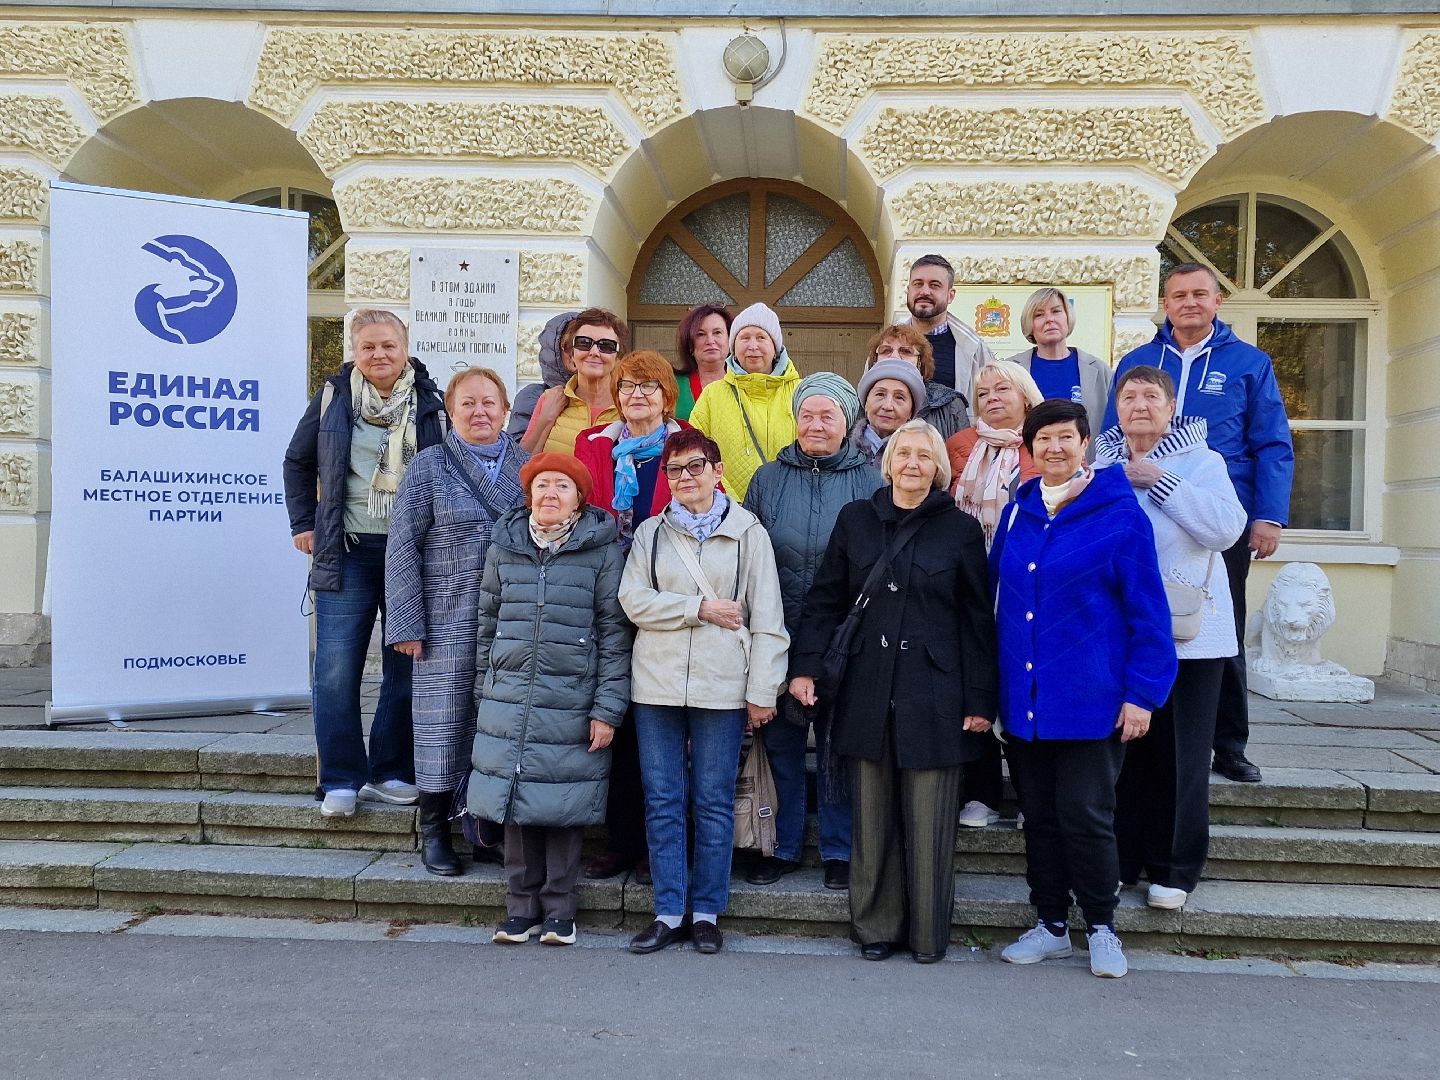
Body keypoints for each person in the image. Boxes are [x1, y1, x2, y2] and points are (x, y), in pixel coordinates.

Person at [792, 420, 997, 964]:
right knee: (873, 819)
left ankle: (928, 934)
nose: (912, 463)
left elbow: (977, 620)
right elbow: (825, 599)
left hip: (935, 692)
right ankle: (875, 928)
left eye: (924, 456)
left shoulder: (959, 530)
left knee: (930, 822)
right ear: (887, 463)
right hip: (866, 688)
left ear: (938, 469)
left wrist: (981, 699)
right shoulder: (856, 520)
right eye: (903, 453)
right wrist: (805, 667)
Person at [992, 400, 1177, 979]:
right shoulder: (1017, 513)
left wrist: (1142, 694)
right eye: (1043, 439)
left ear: (1085, 443)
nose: (1054, 448)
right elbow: (997, 600)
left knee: (1086, 816)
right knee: (1040, 819)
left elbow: (1149, 613)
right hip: (1026, 704)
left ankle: (1101, 926)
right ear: (1029, 448)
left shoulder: (1120, 515)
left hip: (1091, 701)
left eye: (1065, 438)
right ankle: (1050, 924)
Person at [1104, 263, 1294, 784]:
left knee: (1216, 631)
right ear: (1165, 304)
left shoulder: (1248, 362)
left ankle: (1229, 744)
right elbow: (1109, 431)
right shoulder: (1138, 361)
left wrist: (1268, 516)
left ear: (1216, 302)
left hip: (1217, 513)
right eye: (1178, 295)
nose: (1189, 303)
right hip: (1142, 517)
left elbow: (1272, 441)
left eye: (1199, 294)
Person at [620, 430, 789, 955]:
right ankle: (669, 911)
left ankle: (708, 912)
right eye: (674, 470)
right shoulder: (650, 533)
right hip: (656, 685)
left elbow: (768, 617)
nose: (684, 478)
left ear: (718, 471)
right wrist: (698, 609)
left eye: (695, 466)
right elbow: (632, 600)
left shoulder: (748, 533)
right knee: (663, 800)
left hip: (722, 686)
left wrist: (763, 690)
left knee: (714, 801)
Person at [283, 310, 446, 819]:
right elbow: (297, 461)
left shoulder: (431, 402)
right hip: (347, 549)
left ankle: (390, 771)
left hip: (412, 555)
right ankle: (340, 778)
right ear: (354, 350)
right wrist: (303, 523)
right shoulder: (332, 398)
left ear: (405, 347)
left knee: (405, 668)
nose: (379, 355)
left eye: (388, 345)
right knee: (335, 670)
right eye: (368, 346)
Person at [1096, 366, 1246, 911]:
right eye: (1129, 396)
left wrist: (1159, 480)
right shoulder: (1100, 464)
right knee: (1122, 754)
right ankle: (1118, 860)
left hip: (1189, 636)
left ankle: (1173, 869)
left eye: (1151, 396)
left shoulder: (1203, 462)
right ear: (1117, 407)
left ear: (1171, 405)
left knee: (1180, 755)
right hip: (1119, 634)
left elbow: (1226, 529)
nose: (1139, 405)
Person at [468, 453, 631, 947]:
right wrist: (483, 689)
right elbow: (487, 623)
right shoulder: (506, 545)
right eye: (542, 485)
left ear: (579, 498)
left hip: (572, 698)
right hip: (510, 696)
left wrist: (607, 710)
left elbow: (615, 635)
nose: (550, 494)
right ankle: (520, 908)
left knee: (563, 802)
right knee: (515, 803)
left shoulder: (601, 552)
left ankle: (560, 910)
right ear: (529, 495)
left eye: (562, 485)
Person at [383, 367, 528, 875]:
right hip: (445, 613)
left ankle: (485, 828)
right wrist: (406, 623)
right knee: (440, 721)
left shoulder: (526, 466)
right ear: (450, 411)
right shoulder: (428, 466)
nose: (479, 412)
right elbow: (402, 545)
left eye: (489, 402)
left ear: (505, 410)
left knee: (496, 722)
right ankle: (434, 831)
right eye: (468, 403)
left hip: (510, 619)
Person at [743, 373, 884, 890]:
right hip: (777, 631)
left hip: (846, 637)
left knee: (836, 745)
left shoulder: (870, 481)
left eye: (828, 416)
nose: (816, 425)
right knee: (781, 740)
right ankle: (782, 844)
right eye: (807, 415)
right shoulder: (767, 479)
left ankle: (839, 849)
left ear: (848, 423)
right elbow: (747, 554)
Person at [573, 350, 691, 883]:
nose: (636, 395)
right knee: (613, 723)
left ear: (667, 397)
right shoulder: (593, 444)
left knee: (660, 728)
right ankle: (619, 840)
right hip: (606, 601)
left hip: (666, 603)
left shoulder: (689, 446)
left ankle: (657, 845)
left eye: (648, 387)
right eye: (627, 386)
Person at [945, 359, 1043, 829]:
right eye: (982, 393)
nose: (992, 399)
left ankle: (1030, 795)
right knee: (976, 680)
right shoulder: (959, 445)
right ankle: (981, 793)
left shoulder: (1044, 443)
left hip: (1024, 584)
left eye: (1002, 389)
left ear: (1025, 395)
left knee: (1022, 683)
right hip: (966, 581)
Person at [689, 302, 800, 502]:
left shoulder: (801, 392)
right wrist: (732, 504)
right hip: (728, 509)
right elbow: (695, 454)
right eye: (745, 338)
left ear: (775, 347)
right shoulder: (712, 395)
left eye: (761, 337)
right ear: (733, 347)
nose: (752, 346)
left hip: (791, 506)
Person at [1004, 287, 1110, 459]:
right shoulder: (1011, 370)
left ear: (1068, 317)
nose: (1049, 319)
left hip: (1084, 468)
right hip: (1025, 468)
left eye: (1056, 311)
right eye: (1039, 315)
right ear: (1030, 325)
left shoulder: (1098, 369)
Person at [520, 307, 626, 455]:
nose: (594, 352)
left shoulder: (629, 403)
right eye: (584, 343)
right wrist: (547, 418)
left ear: (618, 357)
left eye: (606, 346)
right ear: (571, 354)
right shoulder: (550, 399)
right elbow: (524, 461)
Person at [901, 254, 995, 397]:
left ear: (950, 295)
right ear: (908, 291)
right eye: (918, 284)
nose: (924, 291)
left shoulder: (974, 349)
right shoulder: (886, 346)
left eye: (934, 285)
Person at [864, 323, 970, 441]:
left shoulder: (951, 404)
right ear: (875, 360)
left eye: (906, 351)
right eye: (885, 350)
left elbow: (963, 450)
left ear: (920, 362)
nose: (894, 357)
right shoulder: (862, 401)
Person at [506, 309, 578, 438]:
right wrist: (546, 417)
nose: (575, 353)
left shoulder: (609, 395)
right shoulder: (534, 396)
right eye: (569, 346)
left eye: (584, 345)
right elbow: (517, 448)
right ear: (555, 350)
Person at [849, 359, 927, 468]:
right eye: (880, 394)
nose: (887, 406)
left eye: (899, 397)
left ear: (911, 411)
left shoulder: (923, 459)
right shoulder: (842, 450)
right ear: (865, 403)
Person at [672, 304, 732, 421]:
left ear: (730, 340)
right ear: (689, 344)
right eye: (701, 334)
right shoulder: (672, 385)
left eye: (717, 332)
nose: (710, 341)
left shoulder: (745, 383)